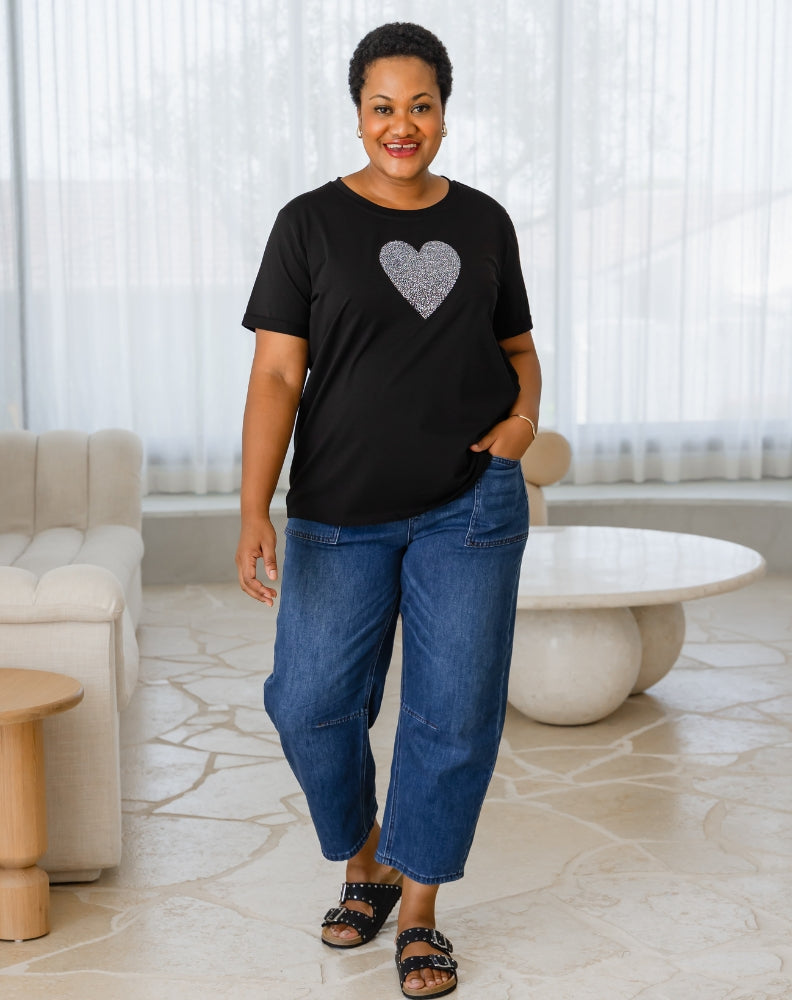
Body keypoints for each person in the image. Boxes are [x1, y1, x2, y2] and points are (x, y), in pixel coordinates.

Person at [237, 21, 541, 999]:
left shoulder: (486, 222)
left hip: (471, 506)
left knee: (452, 719)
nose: (401, 125)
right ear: (357, 113)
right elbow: (278, 375)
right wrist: (252, 509)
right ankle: (364, 854)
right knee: (309, 700)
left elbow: (519, 349)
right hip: (336, 510)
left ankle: (417, 910)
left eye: (420, 105)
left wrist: (525, 418)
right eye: (382, 106)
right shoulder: (308, 224)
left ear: (444, 114)